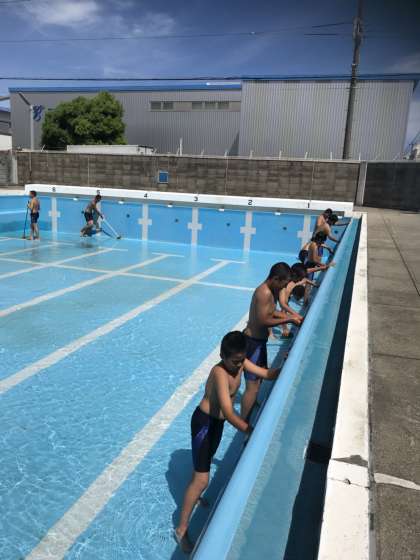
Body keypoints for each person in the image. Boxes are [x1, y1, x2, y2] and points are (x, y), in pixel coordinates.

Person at [175, 331, 281, 553]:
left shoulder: (239, 361)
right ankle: (181, 529)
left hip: (217, 424)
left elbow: (265, 373)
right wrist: (250, 430)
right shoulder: (219, 373)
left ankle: (195, 494)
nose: (239, 365)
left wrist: (284, 367)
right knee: (202, 479)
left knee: (202, 467)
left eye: (242, 360)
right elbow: (228, 411)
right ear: (222, 355)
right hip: (204, 424)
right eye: (235, 361)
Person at [241, 262, 299, 420]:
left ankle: (252, 407)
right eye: (283, 284)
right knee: (252, 387)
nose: (284, 287)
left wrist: (294, 316)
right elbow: (263, 321)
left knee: (258, 381)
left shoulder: (272, 291)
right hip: (252, 343)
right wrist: (289, 319)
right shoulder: (264, 293)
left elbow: (272, 312)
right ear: (275, 279)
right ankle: (244, 424)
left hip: (259, 343)